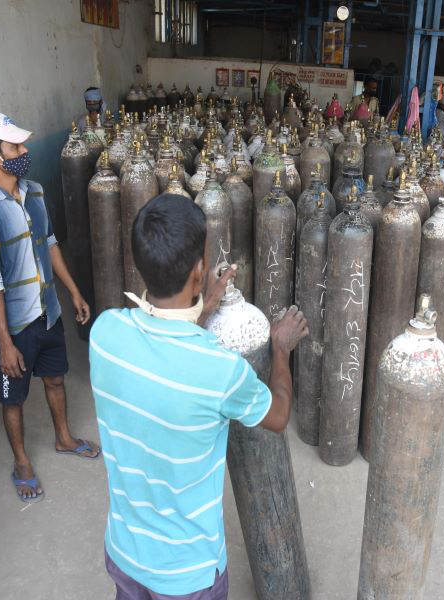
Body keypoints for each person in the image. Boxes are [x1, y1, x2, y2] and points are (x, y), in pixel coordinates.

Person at [89, 194, 308, 599]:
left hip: (125, 554)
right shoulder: (220, 370)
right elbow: (277, 417)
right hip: (187, 576)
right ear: (198, 270)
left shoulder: (104, 333)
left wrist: (202, 309)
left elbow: (161, 351)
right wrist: (280, 349)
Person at [0, 113, 99, 503]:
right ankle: (21, 462)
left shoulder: (36, 192)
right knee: (13, 398)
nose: (25, 151)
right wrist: (5, 343)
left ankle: (63, 438)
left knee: (55, 379)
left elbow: (51, 244)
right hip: (16, 325)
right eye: (15, 147)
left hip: (49, 312)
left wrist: (73, 292)